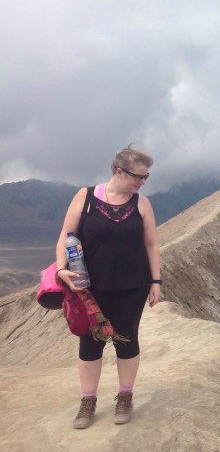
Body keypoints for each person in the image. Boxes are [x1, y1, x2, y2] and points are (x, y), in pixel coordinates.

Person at [55, 145, 161, 429]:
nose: (142, 182)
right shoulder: (86, 197)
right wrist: (61, 269)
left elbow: (151, 244)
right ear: (118, 171)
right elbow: (66, 235)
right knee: (91, 341)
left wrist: (156, 281)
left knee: (127, 339)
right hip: (90, 286)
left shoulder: (142, 204)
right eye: (138, 176)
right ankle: (88, 401)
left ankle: (125, 397)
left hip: (132, 285)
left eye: (146, 177)